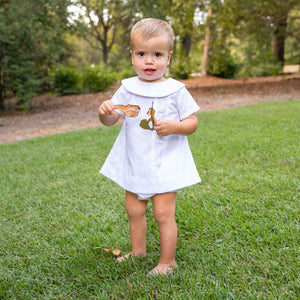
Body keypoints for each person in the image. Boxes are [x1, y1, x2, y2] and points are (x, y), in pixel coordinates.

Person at [98, 18, 201, 276]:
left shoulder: (175, 90)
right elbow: (112, 119)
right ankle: (138, 251)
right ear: (132, 55)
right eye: (142, 54)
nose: (149, 61)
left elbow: (192, 122)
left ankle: (168, 261)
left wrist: (176, 127)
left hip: (165, 161)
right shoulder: (128, 88)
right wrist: (105, 113)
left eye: (157, 54)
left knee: (163, 213)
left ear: (169, 57)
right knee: (133, 209)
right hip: (135, 159)